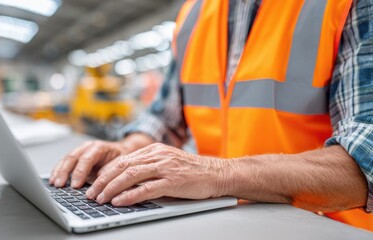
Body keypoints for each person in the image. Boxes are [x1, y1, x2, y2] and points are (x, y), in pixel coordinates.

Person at [49, 0, 373, 231]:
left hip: (325, 227)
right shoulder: (194, 13)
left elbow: (365, 163)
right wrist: (129, 149)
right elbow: (164, 117)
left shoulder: (345, 6)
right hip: (228, 222)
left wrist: (219, 174)